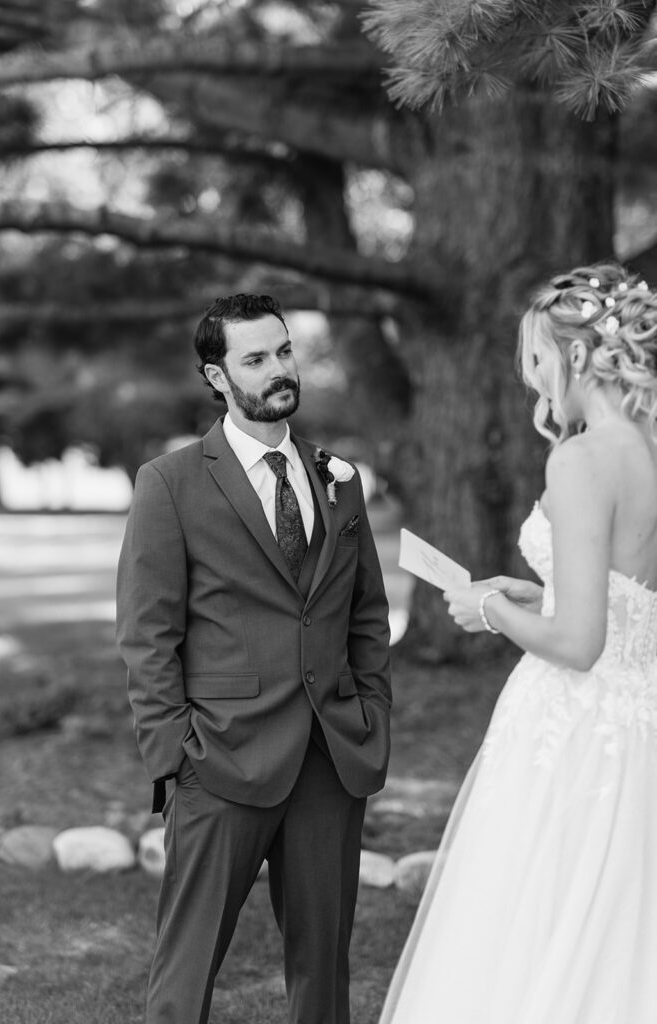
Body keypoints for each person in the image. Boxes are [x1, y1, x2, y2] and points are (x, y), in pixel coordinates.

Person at [379, 263, 657, 1024]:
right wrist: (542, 592)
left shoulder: (579, 458)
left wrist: (492, 610)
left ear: (573, 355)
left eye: (536, 359)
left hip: (572, 729)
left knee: (534, 921)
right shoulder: (649, 451)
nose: (532, 382)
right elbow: (629, 597)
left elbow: (577, 643)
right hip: (642, 729)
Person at [116, 292, 392, 1024]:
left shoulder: (339, 478)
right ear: (216, 376)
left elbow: (366, 613)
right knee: (188, 965)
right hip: (220, 759)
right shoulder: (170, 484)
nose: (278, 370)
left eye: (284, 351)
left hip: (332, 757)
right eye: (256, 358)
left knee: (323, 969)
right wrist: (174, 753)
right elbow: (147, 635)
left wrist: (371, 711)